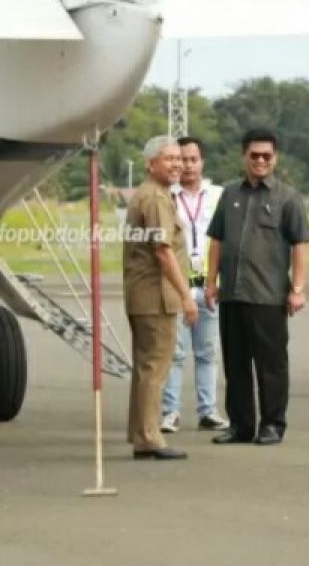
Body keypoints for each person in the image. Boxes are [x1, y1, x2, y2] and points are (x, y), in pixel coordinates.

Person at [205, 129, 309, 446]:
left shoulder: (287, 198)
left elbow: (301, 244)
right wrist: (211, 282)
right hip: (232, 295)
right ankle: (240, 425)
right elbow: (218, 239)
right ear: (244, 157)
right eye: (254, 155)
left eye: (266, 156)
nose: (260, 161)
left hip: (268, 296)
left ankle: (272, 424)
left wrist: (299, 288)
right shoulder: (230, 195)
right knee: (235, 364)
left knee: (271, 365)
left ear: (275, 158)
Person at [123, 135, 198, 461]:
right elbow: (163, 252)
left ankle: (142, 433)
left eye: (179, 159)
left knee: (146, 367)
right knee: (155, 367)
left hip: (146, 294)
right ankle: (150, 437)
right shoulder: (155, 199)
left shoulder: (153, 195)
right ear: (150, 163)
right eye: (168, 159)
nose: (177, 164)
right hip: (155, 296)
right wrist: (187, 295)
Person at [160, 136, 229, 434]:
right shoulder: (165, 196)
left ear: (202, 162)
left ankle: (208, 410)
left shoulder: (219, 195)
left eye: (193, 159)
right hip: (178, 283)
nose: (187, 165)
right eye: (181, 159)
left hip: (209, 283)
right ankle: (170, 411)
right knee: (174, 352)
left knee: (208, 352)